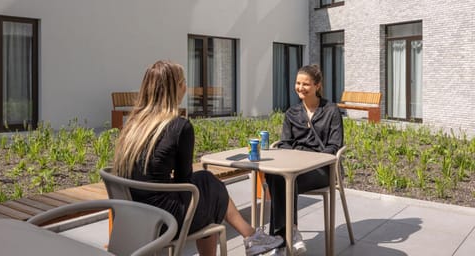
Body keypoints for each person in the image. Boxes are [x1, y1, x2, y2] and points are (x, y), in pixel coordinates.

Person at [113, 60, 283, 256]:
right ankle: (252, 237)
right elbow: (184, 181)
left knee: (206, 181)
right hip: (165, 220)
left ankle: (252, 236)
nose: (186, 87)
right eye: (183, 82)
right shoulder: (179, 126)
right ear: (175, 88)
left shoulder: (133, 125)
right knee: (208, 187)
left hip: (134, 215)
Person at [266, 64, 344, 256]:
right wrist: (295, 158)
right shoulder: (292, 113)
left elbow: (334, 146)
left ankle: (280, 240)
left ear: (317, 85)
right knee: (275, 175)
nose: (300, 88)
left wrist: (309, 160)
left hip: (323, 169)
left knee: (285, 180)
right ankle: (290, 233)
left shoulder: (331, 111)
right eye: (298, 83)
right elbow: (284, 143)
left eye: (306, 84)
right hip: (296, 168)